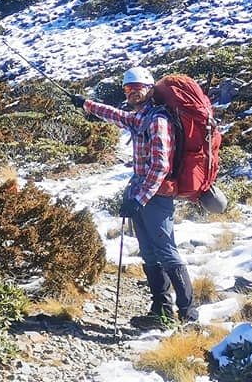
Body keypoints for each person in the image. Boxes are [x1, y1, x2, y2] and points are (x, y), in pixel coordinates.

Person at [71, 66, 198, 329]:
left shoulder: (158, 121)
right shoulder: (140, 118)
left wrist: (139, 198)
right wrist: (86, 105)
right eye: (128, 88)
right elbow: (116, 115)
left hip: (156, 196)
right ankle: (160, 312)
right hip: (141, 193)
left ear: (150, 90)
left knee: (166, 252)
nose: (131, 93)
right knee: (150, 254)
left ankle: (189, 316)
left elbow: (161, 167)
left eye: (137, 88)